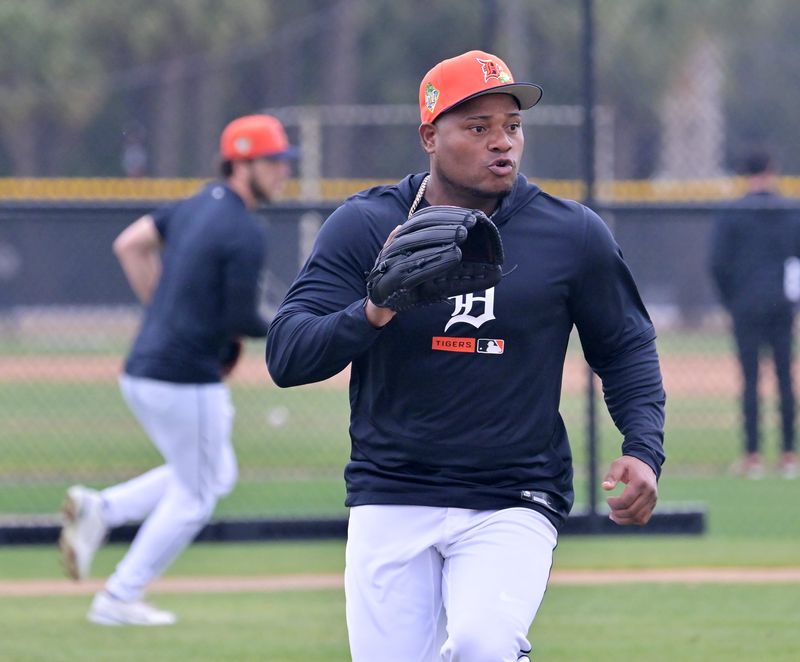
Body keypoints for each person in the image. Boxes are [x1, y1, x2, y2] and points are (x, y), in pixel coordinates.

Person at [266, 50, 665, 661]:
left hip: (515, 493)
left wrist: (643, 449)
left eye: (512, 126)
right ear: (429, 135)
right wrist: (373, 309)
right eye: (477, 128)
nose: (501, 143)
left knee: (484, 644)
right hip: (391, 489)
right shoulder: (366, 225)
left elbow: (626, 347)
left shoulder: (572, 234)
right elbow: (288, 355)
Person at [59, 114, 296, 625]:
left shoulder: (196, 203)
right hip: (183, 378)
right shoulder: (243, 230)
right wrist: (292, 326)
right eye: (272, 162)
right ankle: (119, 597)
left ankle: (104, 508)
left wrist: (165, 310)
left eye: (283, 162)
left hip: (144, 369)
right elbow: (240, 318)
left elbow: (130, 243)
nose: (282, 172)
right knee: (198, 494)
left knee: (213, 472)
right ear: (240, 163)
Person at [710, 148, 800, 480]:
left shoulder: (732, 212)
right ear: (773, 169)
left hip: (745, 305)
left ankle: (753, 456)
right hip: (781, 303)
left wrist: (730, 300)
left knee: (750, 380)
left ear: (744, 172)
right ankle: (790, 455)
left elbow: (718, 263)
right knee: (786, 379)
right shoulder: (791, 210)